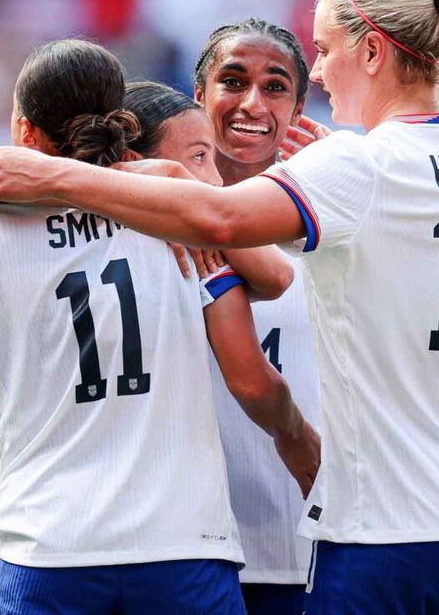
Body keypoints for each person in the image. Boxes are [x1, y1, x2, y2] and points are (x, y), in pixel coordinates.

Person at [0, 0, 439, 614]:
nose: (322, 70)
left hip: (393, 527)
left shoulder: (354, 170)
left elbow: (225, 220)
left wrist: (51, 178)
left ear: (374, 52)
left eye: (322, 52)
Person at [0, 38, 318, 614]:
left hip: (46, 547)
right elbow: (269, 304)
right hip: (182, 547)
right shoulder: (178, 220)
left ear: (23, 132)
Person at [127, 66, 320, 615]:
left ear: (300, 109)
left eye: (277, 88)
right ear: (199, 96)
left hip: (300, 536)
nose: (252, 104)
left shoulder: (338, 214)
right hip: (186, 546)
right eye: (232, 83)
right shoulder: (172, 253)